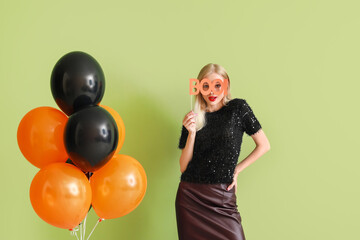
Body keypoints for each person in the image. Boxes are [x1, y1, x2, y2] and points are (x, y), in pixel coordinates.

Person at [175, 63, 270, 240]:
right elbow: (183, 166)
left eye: (217, 85)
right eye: (206, 86)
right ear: (199, 88)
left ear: (226, 85)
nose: (212, 92)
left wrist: (237, 169)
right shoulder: (192, 118)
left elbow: (264, 145)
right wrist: (192, 133)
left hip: (222, 196)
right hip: (190, 197)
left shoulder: (238, 109)